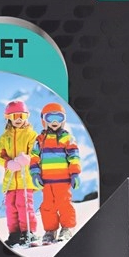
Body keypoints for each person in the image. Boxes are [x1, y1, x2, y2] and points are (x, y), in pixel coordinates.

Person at [30, 102, 81, 245]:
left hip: (63, 181)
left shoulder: (67, 138)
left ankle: (67, 228)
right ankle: (50, 231)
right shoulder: (40, 140)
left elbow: (74, 157)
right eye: (50, 117)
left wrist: (75, 174)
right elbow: (34, 157)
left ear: (63, 120)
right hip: (46, 181)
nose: (54, 122)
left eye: (58, 118)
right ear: (43, 120)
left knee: (64, 205)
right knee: (47, 207)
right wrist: (35, 174)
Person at [0, 100, 38, 248]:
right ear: (8, 118)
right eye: (15, 116)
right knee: (11, 207)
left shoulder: (31, 135)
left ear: (27, 116)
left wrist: (28, 158)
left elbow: (36, 152)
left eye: (22, 115)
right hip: (10, 179)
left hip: (25, 179)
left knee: (24, 205)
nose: (19, 119)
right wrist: (8, 163)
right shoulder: (4, 137)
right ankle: (14, 234)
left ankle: (28, 232)